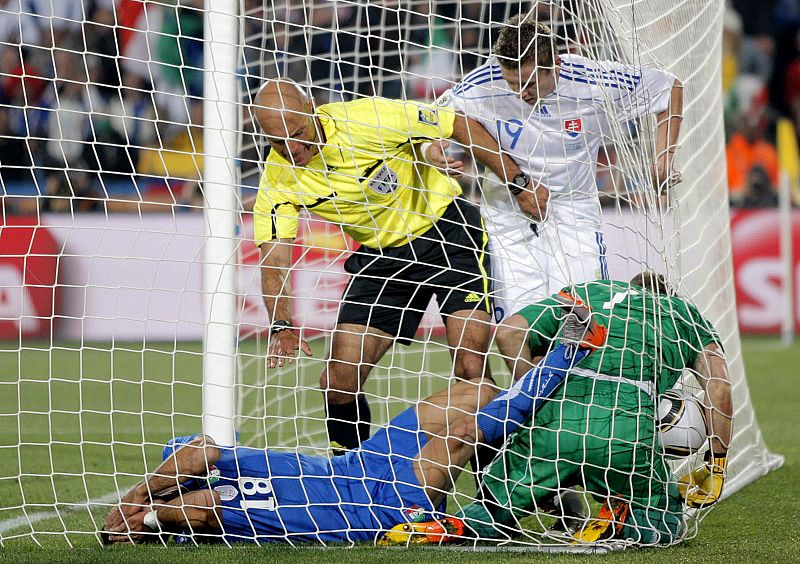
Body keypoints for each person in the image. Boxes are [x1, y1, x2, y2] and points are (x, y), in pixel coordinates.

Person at [101, 297, 606, 544]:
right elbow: (203, 509)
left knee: (473, 393)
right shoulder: (223, 519)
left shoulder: (200, 468)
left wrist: (137, 498)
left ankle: (549, 438)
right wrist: (149, 519)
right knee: (460, 435)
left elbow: (201, 450)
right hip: (380, 511)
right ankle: (567, 357)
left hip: (362, 464)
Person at [251, 79, 529, 453]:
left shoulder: (369, 118)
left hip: (447, 234)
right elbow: (275, 256)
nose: (292, 150)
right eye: (277, 143)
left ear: (311, 109)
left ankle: (492, 487)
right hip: (382, 257)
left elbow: (456, 123)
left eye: (297, 135)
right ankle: (350, 480)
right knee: (337, 381)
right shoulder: (277, 179)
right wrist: (281, 323)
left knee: (471, 373)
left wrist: (519, 184)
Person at [385, 273, 733, 546]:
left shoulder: (590, 291)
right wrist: (716, 462)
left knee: (489, 513)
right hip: (623, 432)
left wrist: (538, 395)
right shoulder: (685, 315)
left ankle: (446, 526)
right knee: (663, 524)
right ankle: (620, 516)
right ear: (667, 298)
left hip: (551, 426)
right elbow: (719, 387)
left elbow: (509, 332)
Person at [428, 15, 683, 374]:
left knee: (581, 319)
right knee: (516, 329)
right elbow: (433, 117)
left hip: (573, 212)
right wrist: (432, 148)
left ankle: (582, 410)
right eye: (513, 82)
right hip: (505, 214)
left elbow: (668, 87)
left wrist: (663, 156)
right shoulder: (484, 82)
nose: (521, 92)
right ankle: (533, 424)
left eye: (531, 81)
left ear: (556, 66)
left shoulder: (591, 79)